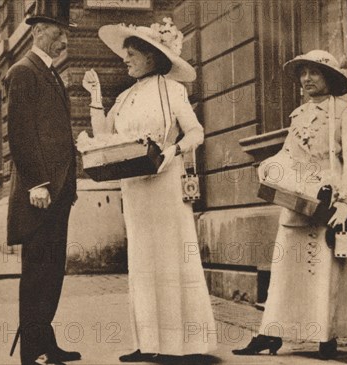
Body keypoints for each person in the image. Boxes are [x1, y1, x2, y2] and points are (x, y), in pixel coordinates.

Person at [82, 18, 216, 361]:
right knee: (142, 261)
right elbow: (102, 135)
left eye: (131, 53)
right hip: (136, 187)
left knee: (170, 258)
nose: (125, 59)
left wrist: (173, 152)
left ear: (151, 58)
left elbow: (195, 132)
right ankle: (149, 343)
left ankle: (180, 345)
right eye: (125, 54)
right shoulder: (124, 97)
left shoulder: (172, 91)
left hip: (165, 184)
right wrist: (96, 96)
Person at [232, 50, 347, 359]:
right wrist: (272, 170)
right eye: (303, 73)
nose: (307, 78)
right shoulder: (298, 115)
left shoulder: (345, 112)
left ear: (330, 78)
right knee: (286, 271)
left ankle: (326, 337)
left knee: (326, 271)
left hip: (330, 201)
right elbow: (290, 156)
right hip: (298, 199)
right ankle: (271, 334)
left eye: (315, 73)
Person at [5, 1, 79, 364]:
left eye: (65, 34)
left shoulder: (49, 73)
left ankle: (45, 341)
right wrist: (36, 183)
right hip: (41, 195)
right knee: (37, 273)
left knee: (52, 272)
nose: (64, 40)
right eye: (58, 33)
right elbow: (19, 135)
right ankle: (32, 352)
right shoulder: (23, 71)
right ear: (37, 32)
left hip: (59, 193)